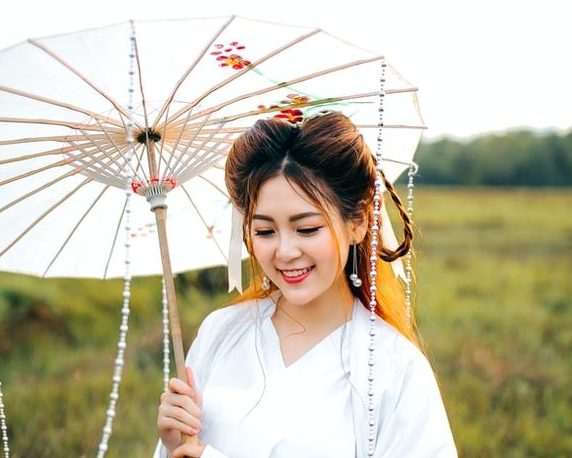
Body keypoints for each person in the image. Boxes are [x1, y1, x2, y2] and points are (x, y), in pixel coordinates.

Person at [154, 112, 457, 457]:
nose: (285, 252)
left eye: (307, 228)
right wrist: (175, 447)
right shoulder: (220, 333)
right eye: (265, 231)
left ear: (356, 221)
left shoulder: (394, 369)